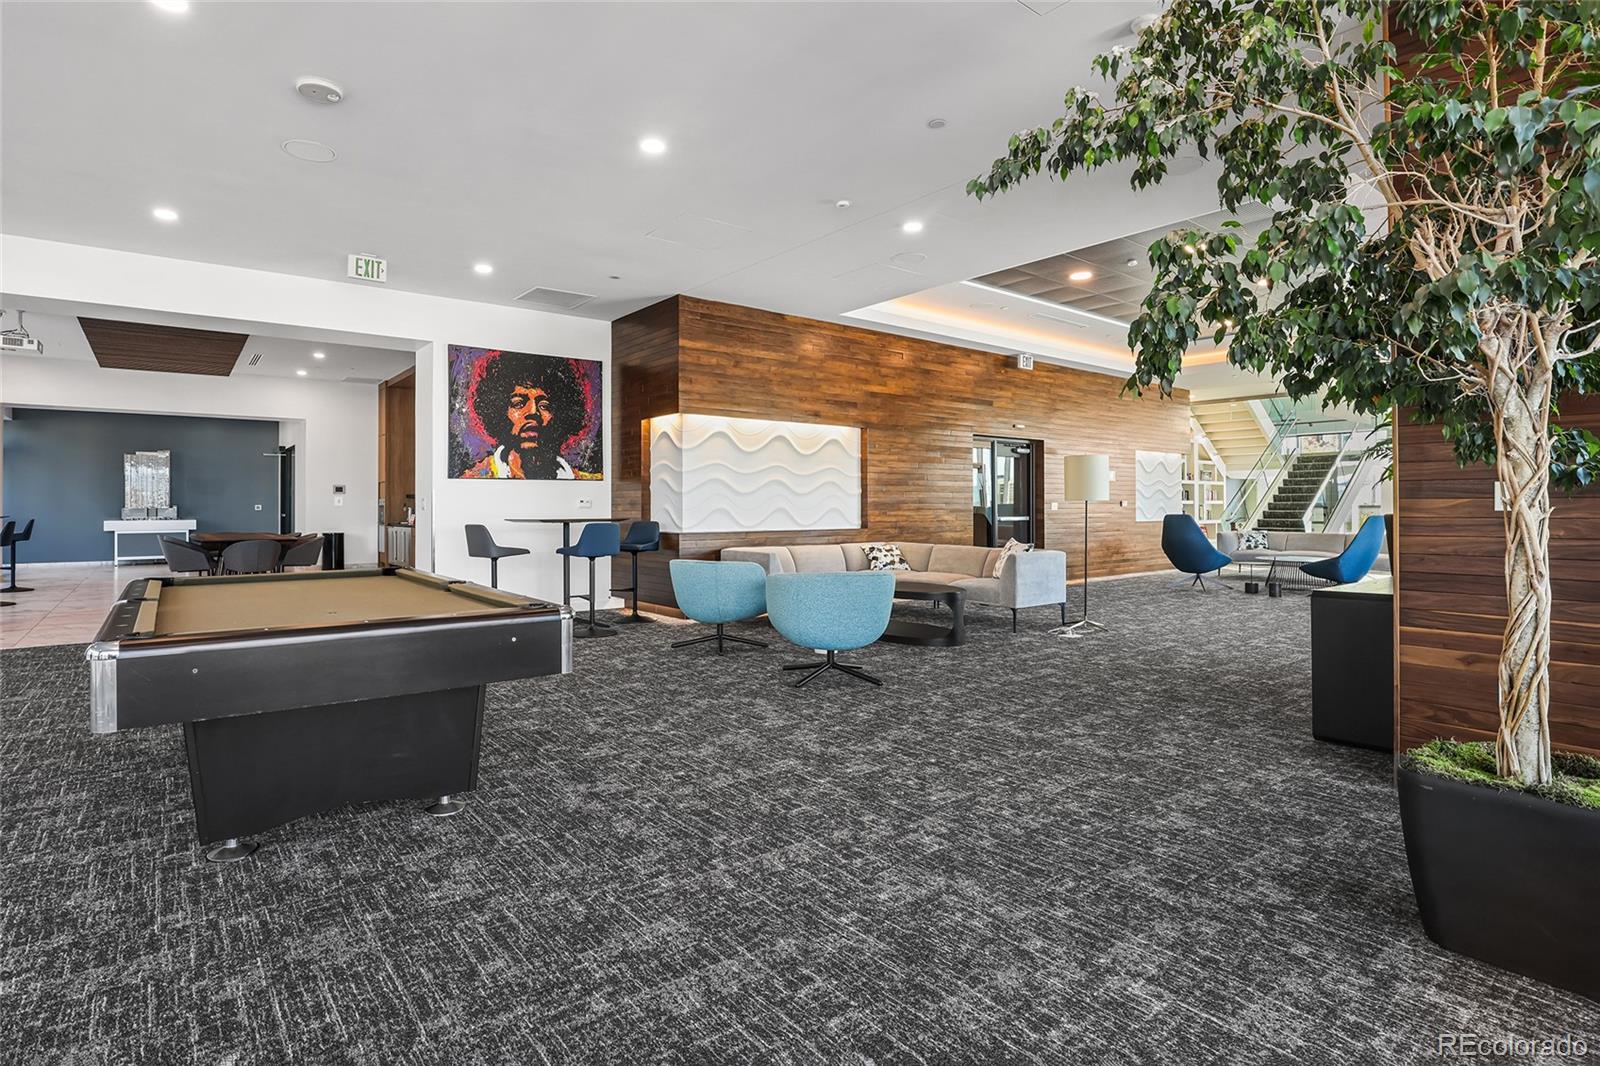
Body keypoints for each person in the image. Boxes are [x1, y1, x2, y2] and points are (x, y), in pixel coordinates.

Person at [461, 352, 596, 479]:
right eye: (518, 403)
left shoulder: (584, 481)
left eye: (544, 405)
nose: (533, 412)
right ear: (499, 411)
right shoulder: (475, 478)